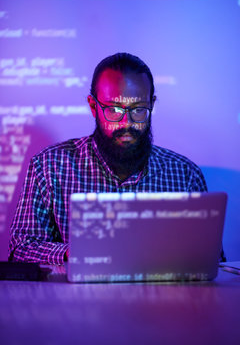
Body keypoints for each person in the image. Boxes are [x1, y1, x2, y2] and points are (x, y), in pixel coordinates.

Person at [9, 52, 210, 265]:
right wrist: (77, 253)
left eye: (138, 109)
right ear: (93, 106)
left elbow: (212, 257)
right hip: (76, 297)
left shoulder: (185, 174)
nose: (127, 123)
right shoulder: (49, 166)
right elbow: (21, 248)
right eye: (114, 110)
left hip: (162, 297)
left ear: (152, 104)